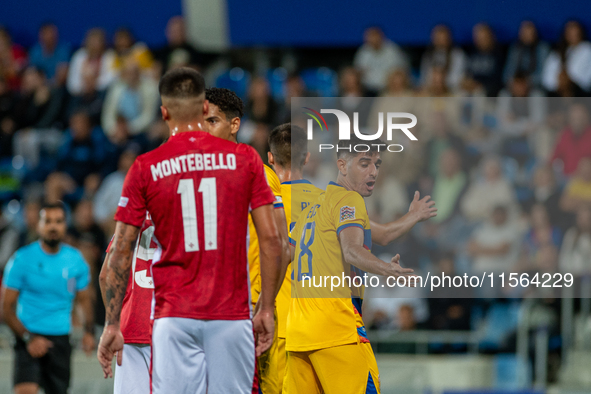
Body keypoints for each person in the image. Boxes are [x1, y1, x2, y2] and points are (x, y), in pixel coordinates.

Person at [97, 67, 285, 394]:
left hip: (173, 317)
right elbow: (274, 240)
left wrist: (113, 323)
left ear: (164, 112)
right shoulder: (245, 160)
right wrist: (266, 307)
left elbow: (119, 254)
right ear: (202, 109)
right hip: (230, 313)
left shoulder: (146, 168)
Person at [284, 137, 427, 393]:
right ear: (341, 164)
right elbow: (352, 250)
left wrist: (413, 216)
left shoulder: (313, 209)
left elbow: (285, 255)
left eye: (377, 164)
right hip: (336, 328)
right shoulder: (349, 200)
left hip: (298, 333)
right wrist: (386, 269)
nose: (373, 171)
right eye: (364, 164)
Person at [203, 86, 290, 394]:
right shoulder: (201, 178)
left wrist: (263, 303)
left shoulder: (259, 175)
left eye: (212, 121)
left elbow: (283, 245)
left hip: (246, 309)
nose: (203, 129)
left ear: (235, 125)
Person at [1, 202, 95, 394]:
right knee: (25, 391)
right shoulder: (21, 259)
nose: (53, 226)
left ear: (65, 225)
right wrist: (29, 338)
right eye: (48, 221)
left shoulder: (75, 260)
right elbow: (6, 308)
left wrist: (89, 331)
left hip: (60, 339)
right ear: (39, 225)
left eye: (58, 221)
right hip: (27, 336)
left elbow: (84, 299)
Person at [99, 213, 156, 394]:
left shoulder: (132, 220)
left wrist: (113, 324)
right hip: (173, 324)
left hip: (132, 327)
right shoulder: (185, 215)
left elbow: (105, 276)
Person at [353, 26, 409, 95]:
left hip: (388, 89)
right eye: (368, 36)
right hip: (368, 90)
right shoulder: (363, 52)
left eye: (374, 36)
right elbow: (358, 72)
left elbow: (399, 72)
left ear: (381, 36)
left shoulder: (392, 50)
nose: (371, 39)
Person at [542, 20, 591, 94]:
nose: (572, 35)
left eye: (575, 32)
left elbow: (585, 80)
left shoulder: (587, 49)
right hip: (557, 92)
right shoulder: (557, 52)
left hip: (580, 92)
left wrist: (568, 79)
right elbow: (546, 80)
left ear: (581, 32)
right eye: (569, 32)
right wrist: (559, 82)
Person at [67, 28, 116, 95]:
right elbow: (72, 83)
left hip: (101, 93)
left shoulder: (110, 56)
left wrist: (95, 85)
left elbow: (113, 77)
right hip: (80, 94)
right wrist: (85, 87)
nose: (94, 45)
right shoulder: (79, 56)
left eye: (97, 41)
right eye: (92, 41)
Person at [503, 21, 550, 88]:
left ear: (535, 33)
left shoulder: (543, 48)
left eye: (530, 33)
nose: (527, 35)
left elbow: (544, 74)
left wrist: (527, 82)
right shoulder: (515, 49)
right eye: (525, 33)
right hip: (516, 86)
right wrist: (515, 83)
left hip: (534, 86)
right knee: (503, 95)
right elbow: (507, 73)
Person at [420, 24, 466, 91]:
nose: (441, 41)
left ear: (449, 38)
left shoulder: (458, 55)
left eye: (443, 38)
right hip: (432, 90)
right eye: (438, 38)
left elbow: (459, 77)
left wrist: (442, 84)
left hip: (452, 90)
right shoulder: (428, 55)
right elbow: (424, 77)